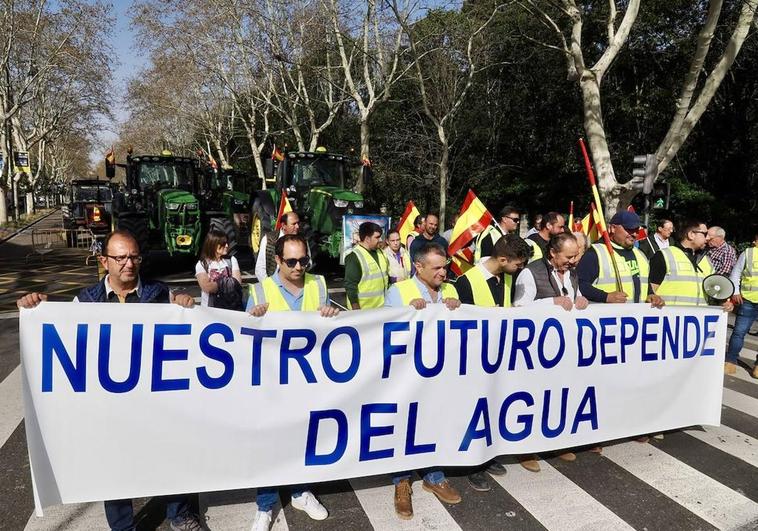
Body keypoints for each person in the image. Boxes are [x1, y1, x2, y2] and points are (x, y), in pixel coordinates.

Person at [17, 230, 201, 531]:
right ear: (104, 261)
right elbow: (60, 330)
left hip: (157, 403)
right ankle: (123, 526)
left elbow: (186, 328)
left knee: (172, 455)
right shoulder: (86, 300)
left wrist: (183, 303)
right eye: (120, 258)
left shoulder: (158, 294)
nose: (129, 264)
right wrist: (38, 308)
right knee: (113, 466)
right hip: (110, 406)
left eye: (134, 257)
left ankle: (179, 515)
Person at [246, 234, 334, 530]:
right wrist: (253, 319)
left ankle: (300, 491)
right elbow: (244, 339)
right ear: (278, 260)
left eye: (304, 260)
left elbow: (332, 331)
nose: (299, 267)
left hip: (309, 383)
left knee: (304, 439)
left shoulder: (318, 285)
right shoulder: (260, 292)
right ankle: (265, 505)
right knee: (270, 444)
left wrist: (332, 314)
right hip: (272, 385)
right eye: (292, 261)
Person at [383, 242, 462, 519]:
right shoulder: (398, 291)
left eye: (445, 266)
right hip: (407, 376)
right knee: (405, 425)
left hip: (441, 375)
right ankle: (401, 481)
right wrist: (406, 312)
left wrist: (457, 308)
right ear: (418, 267)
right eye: (437, 267)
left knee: (434, 421)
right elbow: (384, 331)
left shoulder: (450, 290)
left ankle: (434, 475)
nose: (443, 272)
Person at [455, 234, 531, 491]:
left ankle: (488, 455)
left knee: (493, 408)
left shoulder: (507, 277)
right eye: (517, 264)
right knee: (471, 410)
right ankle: (471, 465)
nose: (520, 268)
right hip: (475, 360)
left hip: (498, 358)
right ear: (502, 259)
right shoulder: (466, 282)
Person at [513, 232, 588, 472]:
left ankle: (556, 441)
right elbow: (518, 309)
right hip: (536, 350)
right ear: (552, 253)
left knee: (558, 396)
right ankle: (525, 449)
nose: (573, 261)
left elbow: (573, 299)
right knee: (533, 398)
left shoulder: (572, 272)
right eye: (568, 257)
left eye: (575, 256)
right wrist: (551, 303)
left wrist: (581, 300)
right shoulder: (530, 272)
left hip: (563, 349)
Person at [577, 210, 664, 307]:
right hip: (605, 318)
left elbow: (645, 284)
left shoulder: (641, 255)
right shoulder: (595, 253)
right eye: (630, 229)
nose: (635, 234)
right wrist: (606, 297)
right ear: (613, 228)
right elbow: (580, 285)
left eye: (637, 229)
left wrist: (651, 295)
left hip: (635, 319)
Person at [649, 219, 733, 313]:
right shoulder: (664, 255)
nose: (707, 238)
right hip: (669, 320)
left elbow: (712, 292)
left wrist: (722, 303)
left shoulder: (706, 260)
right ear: (691, 235)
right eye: (704, 234)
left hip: (697, 320)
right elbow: (651, 292)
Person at [725, 232, 758, 377]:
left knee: (739, 332)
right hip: (748, 300)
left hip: (747, 300)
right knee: (739, 332)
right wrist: (735, 291)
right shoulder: (748, 253)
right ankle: (731, 361)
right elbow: (736, 273)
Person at [344, 222, 389, 309]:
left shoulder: (381, 253)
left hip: (382, 308)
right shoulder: (354, 257)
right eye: (377, 237)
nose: (380, 240)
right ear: (367, 239)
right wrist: (355, 308)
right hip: (364, 311)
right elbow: (350, 285)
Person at [195, 228, 242, 307]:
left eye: (227, 243)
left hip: (231, 306)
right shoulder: (202, 264)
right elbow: (207, 287)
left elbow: (238, 282)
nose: (227, 245)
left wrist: (216, 284)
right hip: (210, 308)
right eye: (223, 243)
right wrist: (228, 283)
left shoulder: (232, 260)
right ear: (213, 244)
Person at [255, 211, 301, 281]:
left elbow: (308, 263)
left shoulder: (302, 240)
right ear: (283, 225)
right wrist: (269, 286)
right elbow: (260, 268)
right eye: (294, 224)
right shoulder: (269, 239)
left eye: (298, 223)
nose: (297, 226)